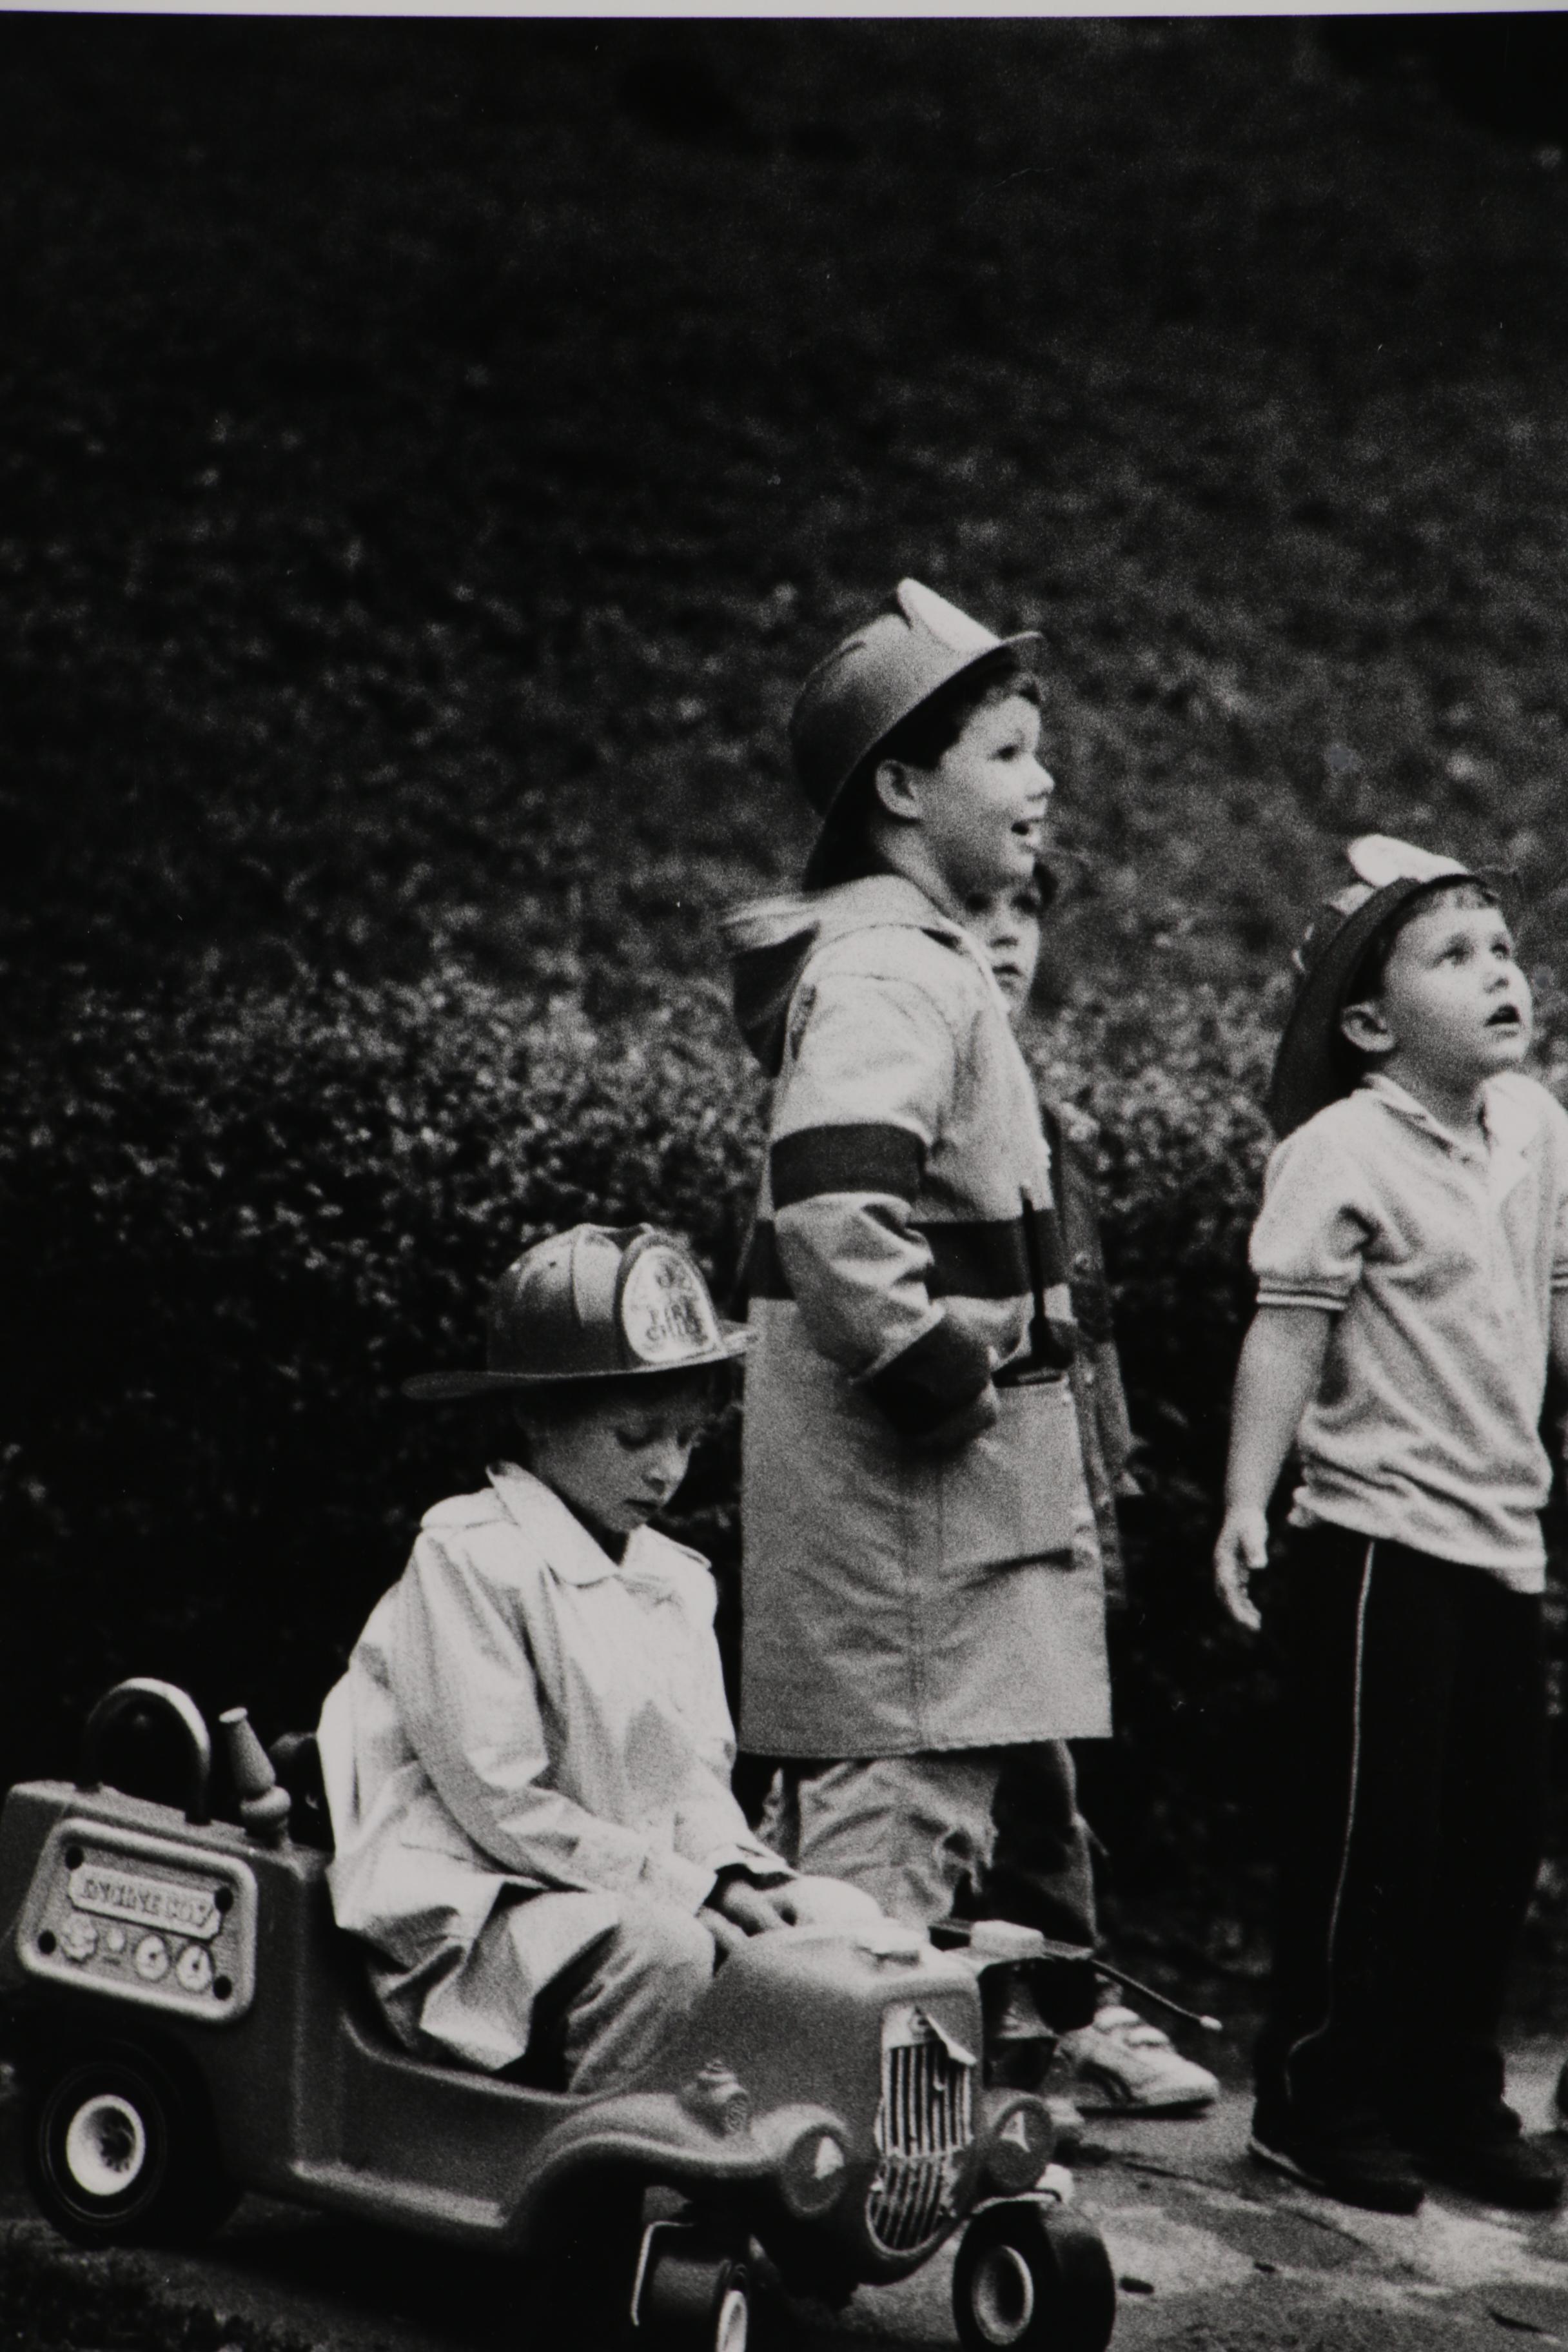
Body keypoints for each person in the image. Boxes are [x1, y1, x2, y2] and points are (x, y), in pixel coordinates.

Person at [726, 576, 1113, 1937]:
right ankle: (854, 2141)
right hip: (908, 1552)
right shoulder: (896, 974)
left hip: (936, 1550)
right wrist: (942, 1385)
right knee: (879, 1887)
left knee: (922, 1851)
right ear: (900, 787)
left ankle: (897, 2137)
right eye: (1005, 752)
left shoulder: (923, 965)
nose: (1044, 780)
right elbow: (835, 1216)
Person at [1213, 835, 1568, 2215]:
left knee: (1494, 1839)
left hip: (1500, 1540)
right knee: (1373, 1838)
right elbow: (1283, 1336)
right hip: (1375, 1543)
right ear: (1369, 1022)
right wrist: (1246, 1497)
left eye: (1503, 948)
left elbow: (1550, 1309)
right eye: (1455, 955)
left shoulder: (1537, 1127)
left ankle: (1446, 2090)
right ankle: (1315, 2093)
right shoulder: (1339, 1149)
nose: (1501, 974)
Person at [318, 1223, 877, 2096]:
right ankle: (602, 2192)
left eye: (689, 1440)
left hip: (618, 1893)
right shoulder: (469, 1555)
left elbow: (694, 1781)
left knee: (839, 1923)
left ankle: (784, 2171)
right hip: (477, 1909)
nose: (667, 1472)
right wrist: (692, 1895)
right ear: (540, 1416)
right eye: (636, 1436)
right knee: (667, 1951)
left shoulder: (673, 1579)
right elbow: (501, 1803)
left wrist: (734, 1874)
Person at [966, 871, 1219, 2124]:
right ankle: (1006, 2031)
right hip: (952, 1502)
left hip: (1048, 1489)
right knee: (960, 1788)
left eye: (1025, 914)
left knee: (1045, 1782)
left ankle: (1061, 2019)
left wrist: (1092, 1505)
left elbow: (1080, 1329)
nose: (1007, 935)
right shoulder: (916, 1094)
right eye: (978, 910)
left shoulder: (1042, 1112)